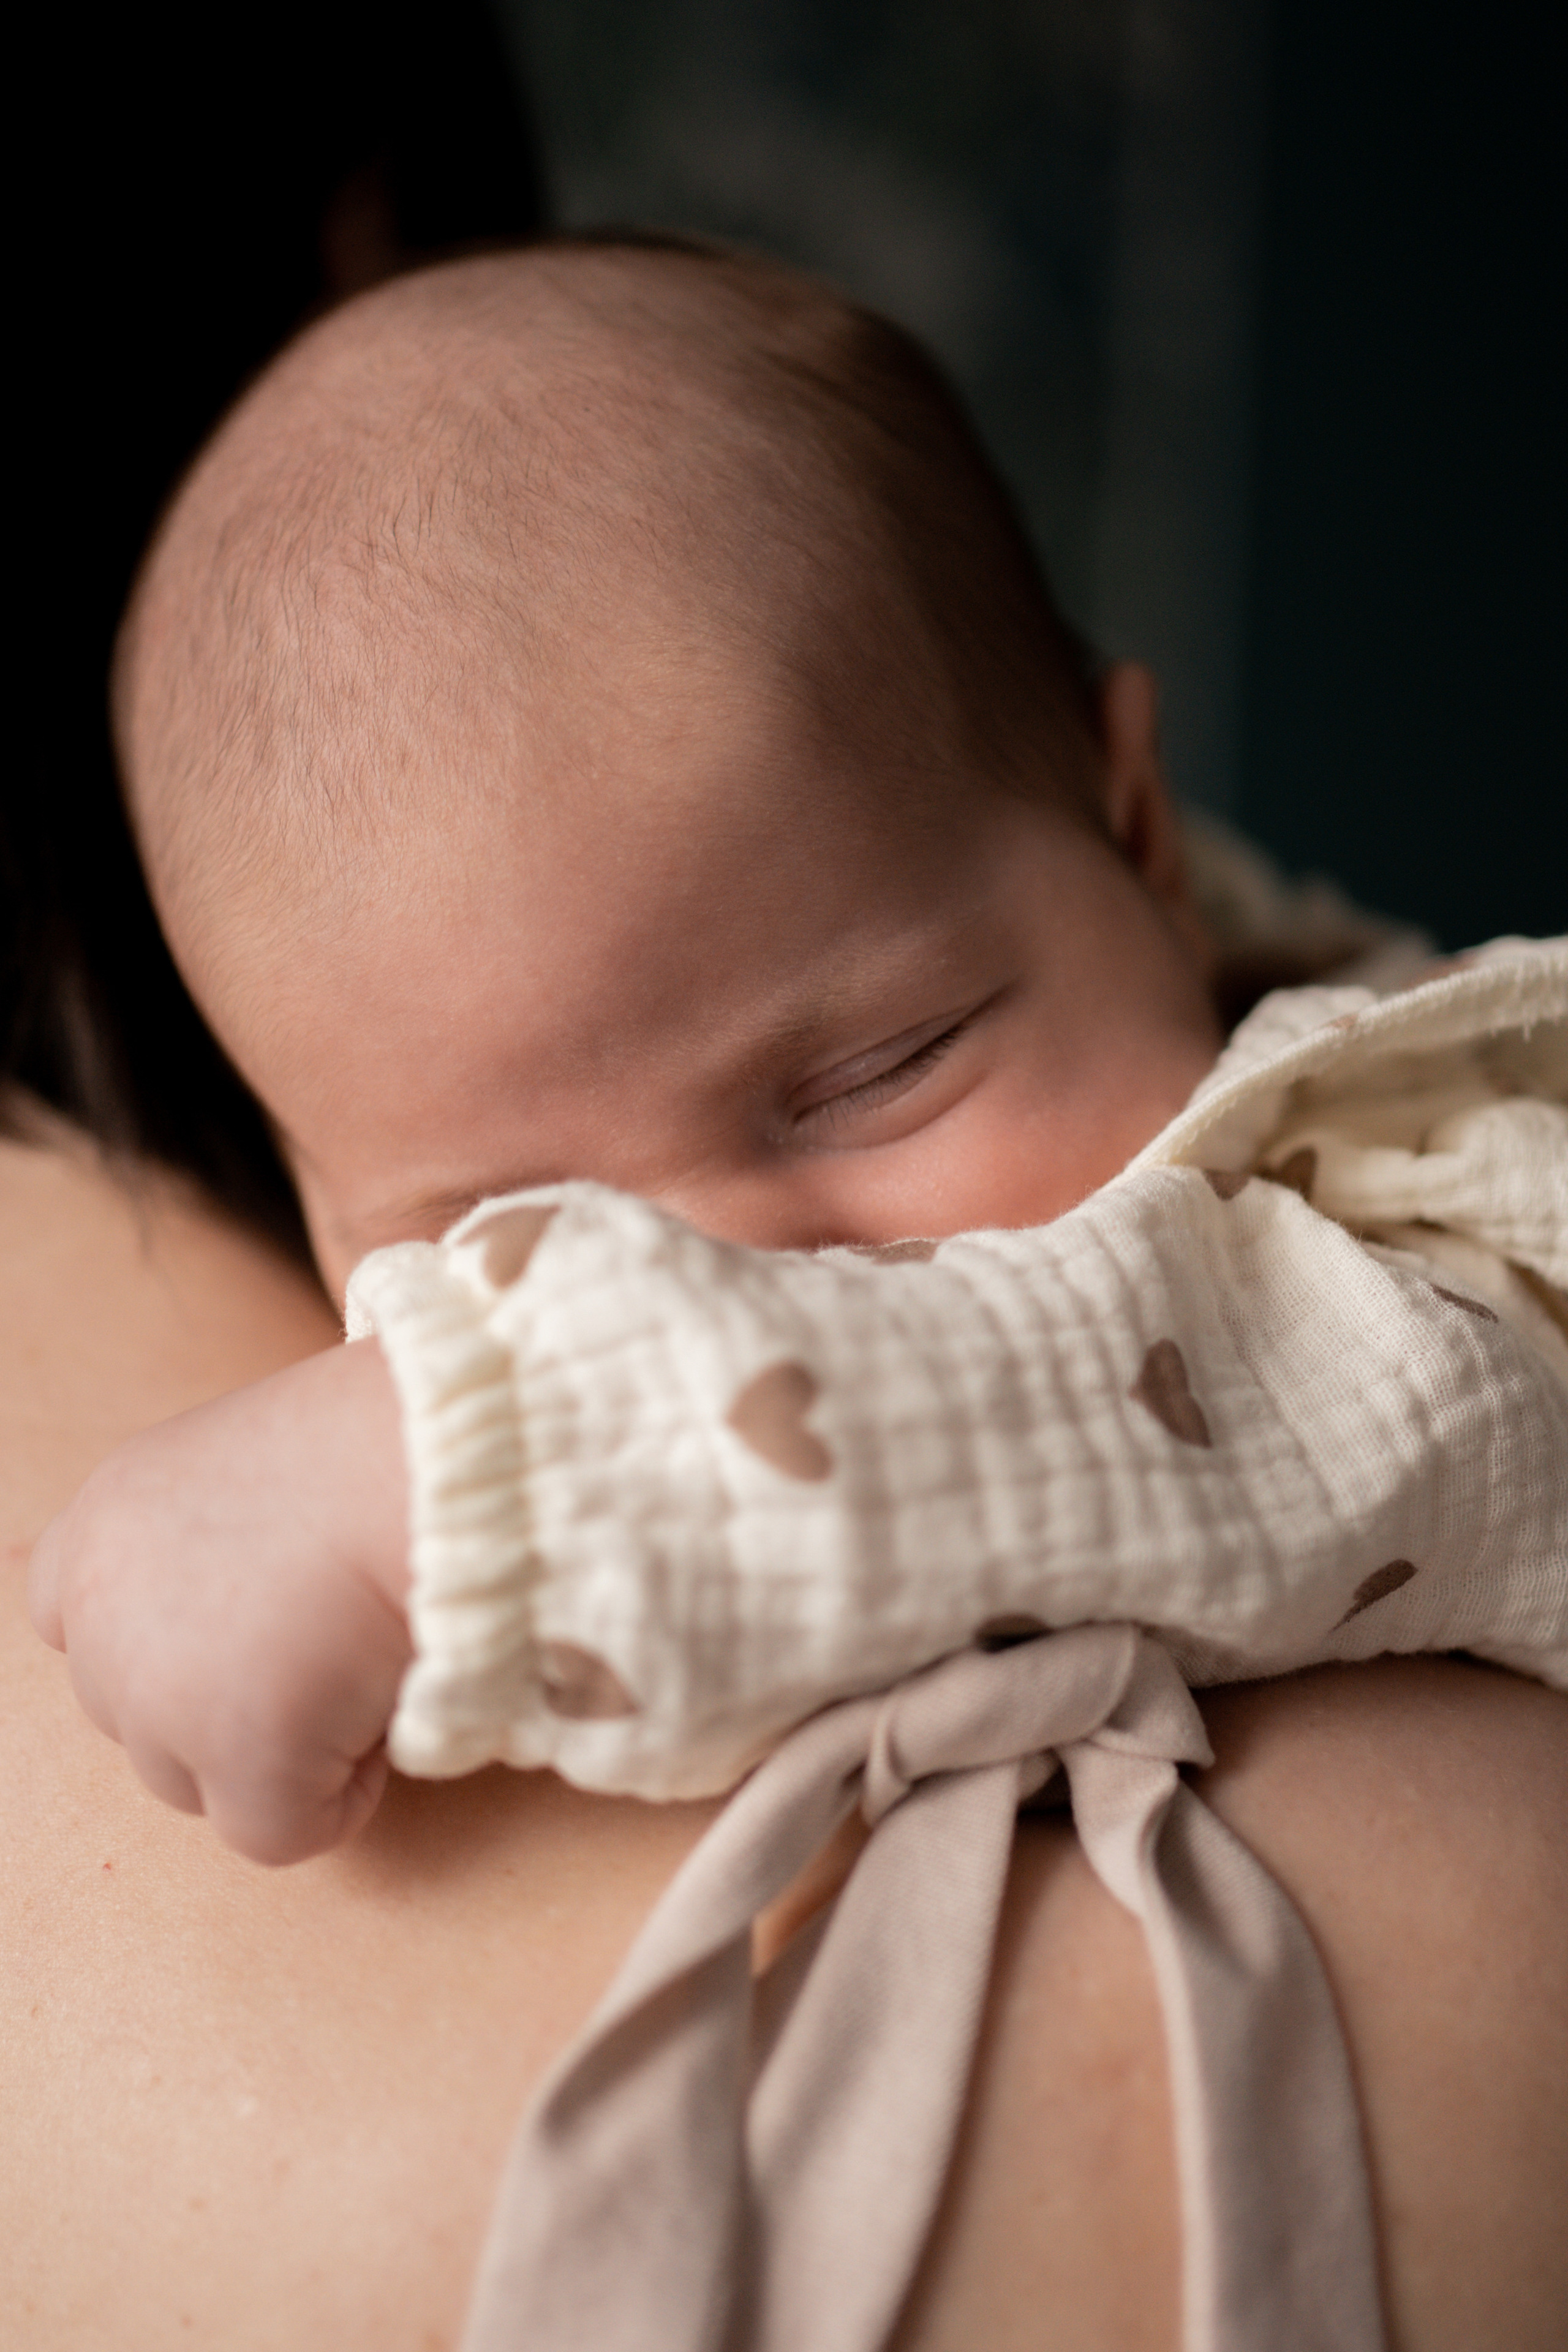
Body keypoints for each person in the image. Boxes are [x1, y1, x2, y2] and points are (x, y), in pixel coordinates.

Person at [29, 238, 1566, 1860]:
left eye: (875, 1073)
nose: (741, 1274)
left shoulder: (1461, 1199)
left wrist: (486, 1471)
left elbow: (1269, 1391)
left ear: (1140, 842)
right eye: (499, 1233)